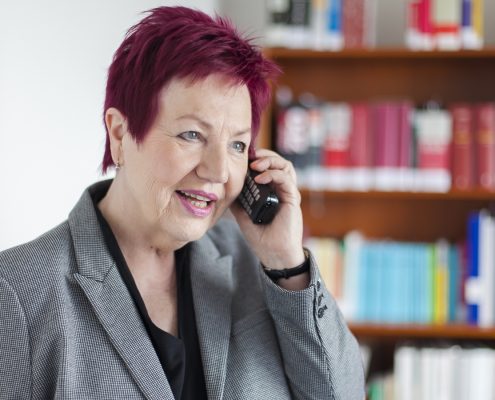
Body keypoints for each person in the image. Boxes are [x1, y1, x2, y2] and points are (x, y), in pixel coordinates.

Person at [0, 6, 364, 400]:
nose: (219, 170)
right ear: (120, 134)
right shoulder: (18, 293)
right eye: (192, 134)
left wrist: (287, 265)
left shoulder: (258, 269)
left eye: (238, 145)